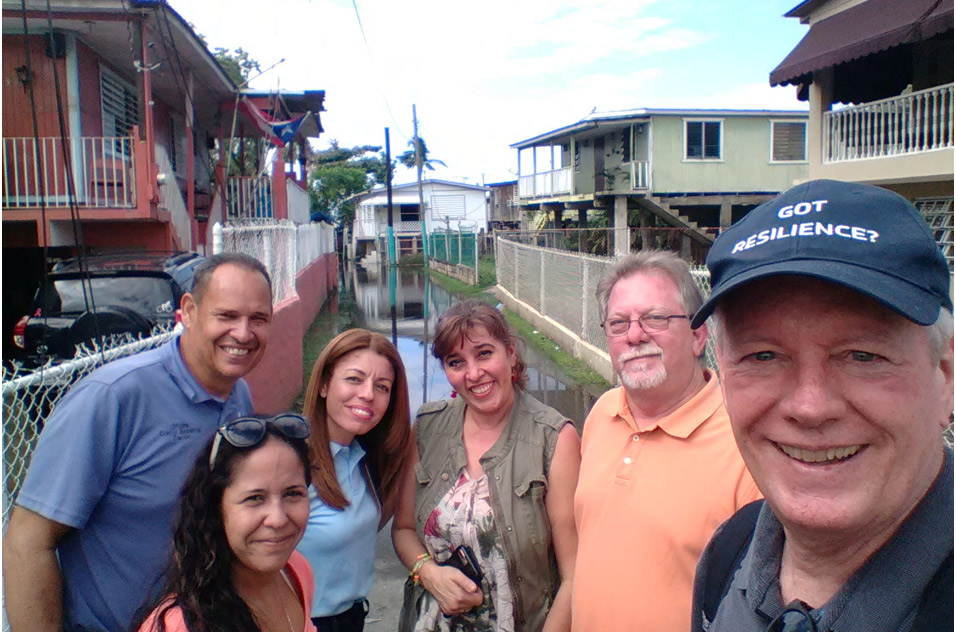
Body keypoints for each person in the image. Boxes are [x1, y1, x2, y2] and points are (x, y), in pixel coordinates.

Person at [690, 179, 954, 631]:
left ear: (945, 377)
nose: (810, 407)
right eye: (764, 356)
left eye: (862, 356)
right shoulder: (727, 555)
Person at [2, 252, 273, 632]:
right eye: (227, 316)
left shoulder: (238, 395)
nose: (243, 334)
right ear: (190, 311)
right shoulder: (112, 398)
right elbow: (27, 542)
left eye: (258, 319)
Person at [571, 250, 761, 632]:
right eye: (619, 323)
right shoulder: (602, 414)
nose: (635, 335)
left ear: (697, 335)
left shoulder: (746, 447)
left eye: (655, 318)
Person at [392, 299, 580, 632]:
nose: (473, 373)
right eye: (455, 362)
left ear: (510, 354)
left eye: (484, 353)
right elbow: (404, 529)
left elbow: (574, 576)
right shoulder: (427, 428)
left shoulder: (553, 438)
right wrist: (429, 573)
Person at [133, 413, 317, 632]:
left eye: (292, 494)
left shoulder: (296, 571)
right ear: (216, 507)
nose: (277, 519)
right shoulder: (180, 625)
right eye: (255, 498)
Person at [296, 329, 412, 632]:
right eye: (354, 379)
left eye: (383, 387)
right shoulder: (293, 464)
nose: (368, 394)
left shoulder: (366, 460)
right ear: (323, 385)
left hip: (351, 618)